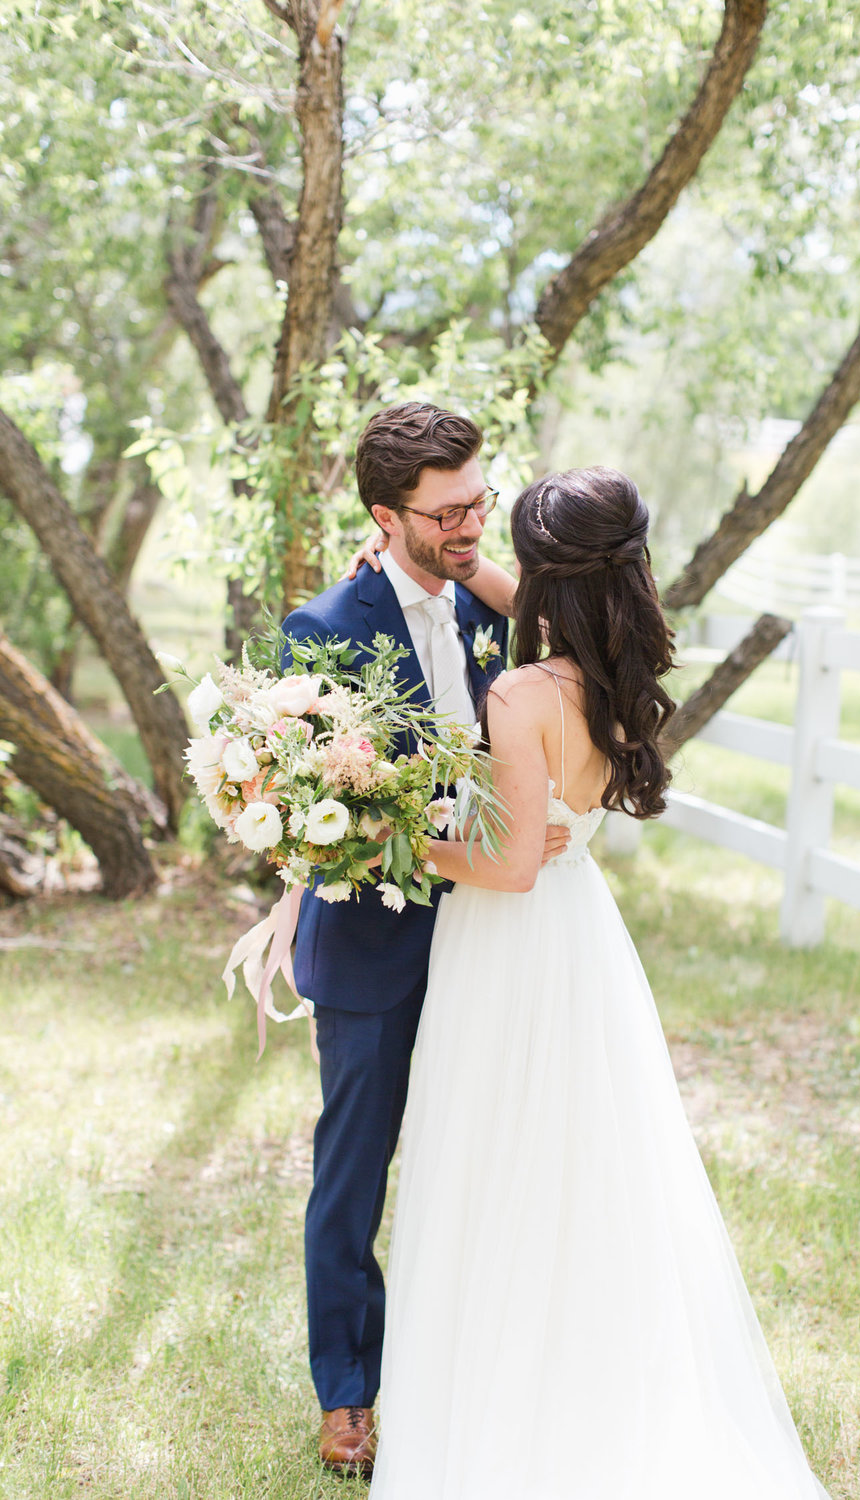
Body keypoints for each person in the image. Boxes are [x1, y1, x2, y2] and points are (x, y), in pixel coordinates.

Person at [364, 466, 831, 1499]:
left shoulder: (519, 693)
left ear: (545, 581)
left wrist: (392, 832)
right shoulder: (618, 672)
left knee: (492, 1157)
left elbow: (511, 865)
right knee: (587, 1165)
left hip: (510, 944)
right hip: (586, 944)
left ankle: (497, 1405)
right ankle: (597, 1379)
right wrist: (485, 567)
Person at [281, 402, 568, 1474]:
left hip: (492, 939)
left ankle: (473, 1366)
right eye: (446, 513)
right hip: (371, 950)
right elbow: (330, 824)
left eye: (477, 503)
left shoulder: (494, 611)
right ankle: (348, 1393)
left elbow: (574, 625)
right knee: (353, 1173)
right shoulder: (323, 632)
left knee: (484, 1159)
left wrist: (482, 568)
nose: (469, 526)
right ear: (381, 516)